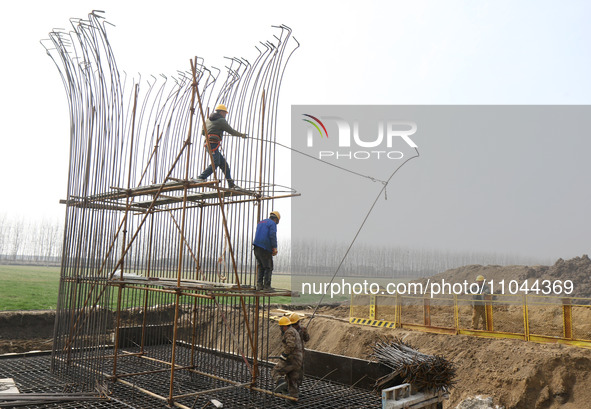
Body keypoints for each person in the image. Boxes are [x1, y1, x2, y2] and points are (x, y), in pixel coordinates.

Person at [195, 104, 247, 189]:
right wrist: (242, 135)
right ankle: (201, 177)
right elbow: (231, 131)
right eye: (225, 113)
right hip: (213, 144)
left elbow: (203, 132)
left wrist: (214, 131)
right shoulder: (221, 120)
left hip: (209, 143)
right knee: (216, 163)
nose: (225, 115)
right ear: (221, 112)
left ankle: (231, 184)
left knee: (224, 165)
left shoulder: (207, 120)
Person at [272, 316, 304, 400]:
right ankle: (293, 398)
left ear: (284, 326)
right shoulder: (294, 331)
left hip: (292, 359)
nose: (280, 329)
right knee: (292, 378)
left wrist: (284, 355)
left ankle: (281, 382)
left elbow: (291, 346)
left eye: (281, 327)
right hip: (298, 360)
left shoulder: (289, 332)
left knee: (276, 370)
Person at [253, 211, 280, 291]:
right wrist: (274, 248)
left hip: (256, 247)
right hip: (264, 248)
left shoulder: (260, 222)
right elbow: (272, 235)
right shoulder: (272, 223)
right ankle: (267, 287)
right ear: (276, 219)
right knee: (268, 267)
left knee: (261, 266)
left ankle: (259, 285)